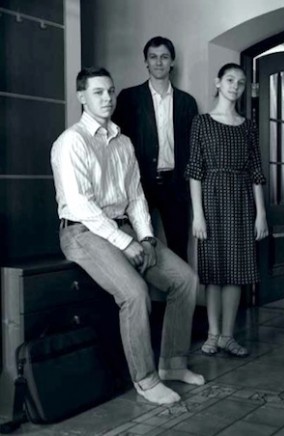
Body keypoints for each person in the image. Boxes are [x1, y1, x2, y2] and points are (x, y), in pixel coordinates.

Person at [51, 67, 204, 406]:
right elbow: (81, 205)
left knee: (185, 280)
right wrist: (125, 242)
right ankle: (146, 381)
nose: (107, 98)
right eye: (98, 92)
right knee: (135, 293)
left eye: (110, 91)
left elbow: (135, 197)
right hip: (81, 231)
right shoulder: (71, 141)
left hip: (123, 228)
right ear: (81, 97)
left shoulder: (123, 142)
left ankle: (172, 364)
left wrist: (146, 238)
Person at [186, 63, 268, 358]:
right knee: (213, 270)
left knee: (237, 270)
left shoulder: (248, 126)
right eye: (230, 80)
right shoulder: (202, 122)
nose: (235, 86)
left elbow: (256, 171)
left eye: (241, 82)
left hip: (242, 200)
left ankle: (228, 336)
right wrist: (197, 214)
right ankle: (212, 334)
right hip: (211, 199)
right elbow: (195, 171)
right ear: (218, 82)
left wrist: (261, 213)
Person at [113, 36, 198, 261]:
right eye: (153, 57)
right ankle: (138, 286)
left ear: (172, 62)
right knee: (137, 246)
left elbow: (193, 148)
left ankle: (179, 286)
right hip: (139, 184)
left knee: (179, 248)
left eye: (164, 57)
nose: (159, 62)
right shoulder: (129, 98)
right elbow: (116, 143)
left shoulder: (187, 102)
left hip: (175, 185)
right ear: (146, 62)